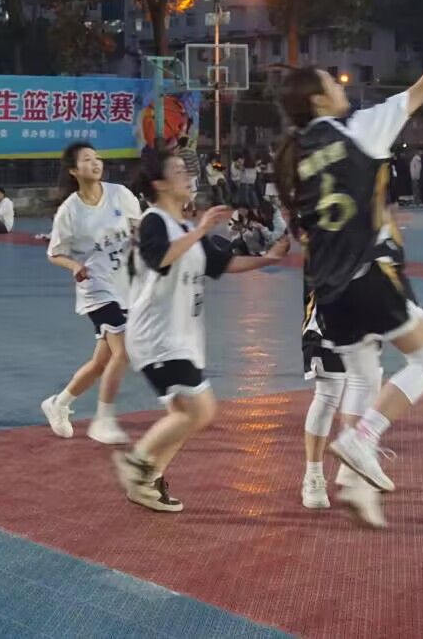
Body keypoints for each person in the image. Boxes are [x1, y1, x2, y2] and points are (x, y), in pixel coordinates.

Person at [273, 4, 423, 527]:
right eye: (330, 81)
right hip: (366, 275)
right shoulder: (358, 129)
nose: (340, 85)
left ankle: (354, 481)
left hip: (326, 293)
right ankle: (363, 438)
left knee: (363, 380)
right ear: (318, 100)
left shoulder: (295, 155)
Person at [113, 154, 289, 512]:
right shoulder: (153, 222)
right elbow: (160, 259)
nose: (187, 177)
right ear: (159, 184)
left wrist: (269, 258)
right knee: (201, 410)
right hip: (158, 336)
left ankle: (146, 482)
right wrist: (200, 229)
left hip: (181, 337)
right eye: (178, 171)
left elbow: (223, 262)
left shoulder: (182, 226)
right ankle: (136, 462)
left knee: (183, 416)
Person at [41, 143, 142, 445]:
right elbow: (54, 253)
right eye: (87, 160)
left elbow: (139, 231)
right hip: (96, 288)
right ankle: (103, 420)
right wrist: (74, 265)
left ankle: (59, 403)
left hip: (125, 285)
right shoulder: (69, 210)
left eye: (97, 158)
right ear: (74, 170)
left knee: (101, 361)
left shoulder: (120, 195)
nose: (96, 163)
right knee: (124, 352)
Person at [299, 282, 385, 512]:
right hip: (329, 308)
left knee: (367, 384)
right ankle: (313, 475)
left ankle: (354, 470)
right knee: (328, 393)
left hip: (367, 309)